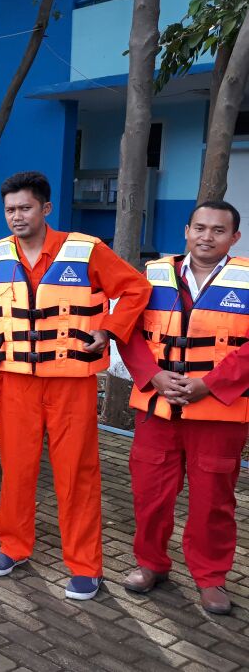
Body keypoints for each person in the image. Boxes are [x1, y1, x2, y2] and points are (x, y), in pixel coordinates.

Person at [0, 171, 151, 600]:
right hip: (15, 380)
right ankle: (14, 547)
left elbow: (135, 289)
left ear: (46, 208)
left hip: (71, 383)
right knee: (16, 470)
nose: (17, 216)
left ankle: (86, 565)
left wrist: (109, 330)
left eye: (25, 207)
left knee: (77, 474)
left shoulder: (85, 249)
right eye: (10, 209)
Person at [116, 200, 247, 616]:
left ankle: (211, 578)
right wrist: (153, 375)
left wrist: (209, 384)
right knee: (150, 494)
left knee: (213, 502)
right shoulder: (152, 275)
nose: (207, 237)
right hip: (157, 409)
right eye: (200, 228)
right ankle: (150, 564)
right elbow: (127, 330)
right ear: (186, 231)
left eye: (218, 230)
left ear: (234, 238)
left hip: (219, 413)